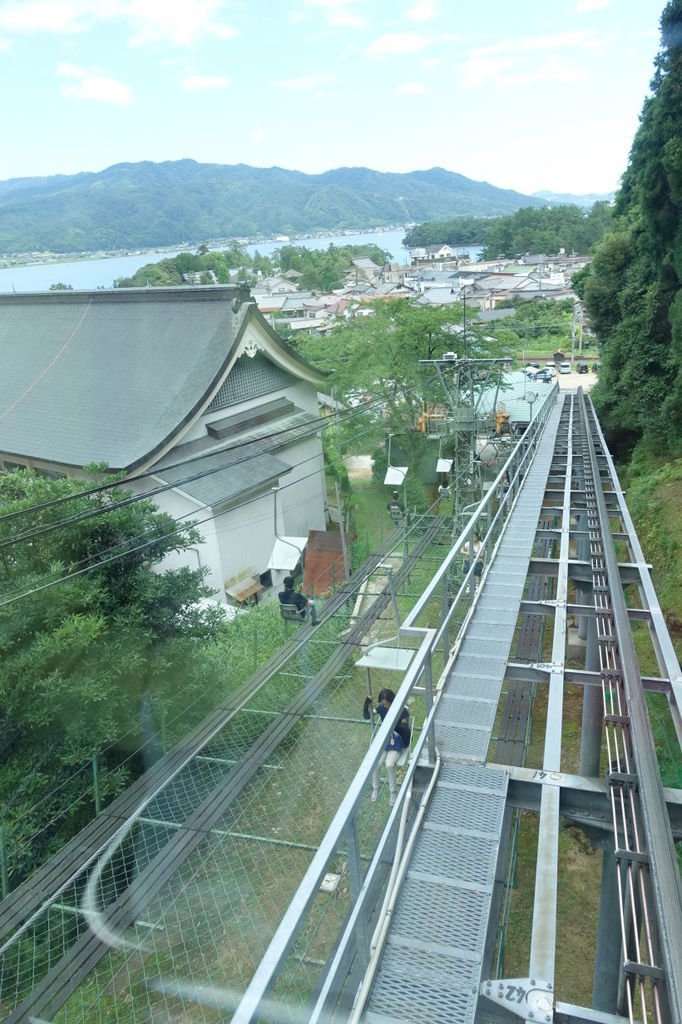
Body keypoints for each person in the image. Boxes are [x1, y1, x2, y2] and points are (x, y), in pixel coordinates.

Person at [370, 688, 411, 805]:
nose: (385, 706)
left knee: (389, 764)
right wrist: (367, 702)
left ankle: (393, 791)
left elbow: (405, 731)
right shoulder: (380, 708)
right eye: (383, 704)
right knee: (376, 763)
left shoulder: (402, 711)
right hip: (386, 740)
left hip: (397, 741)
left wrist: (396, 725)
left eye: (386, 703)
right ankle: (376, 787)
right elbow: (368, 714)